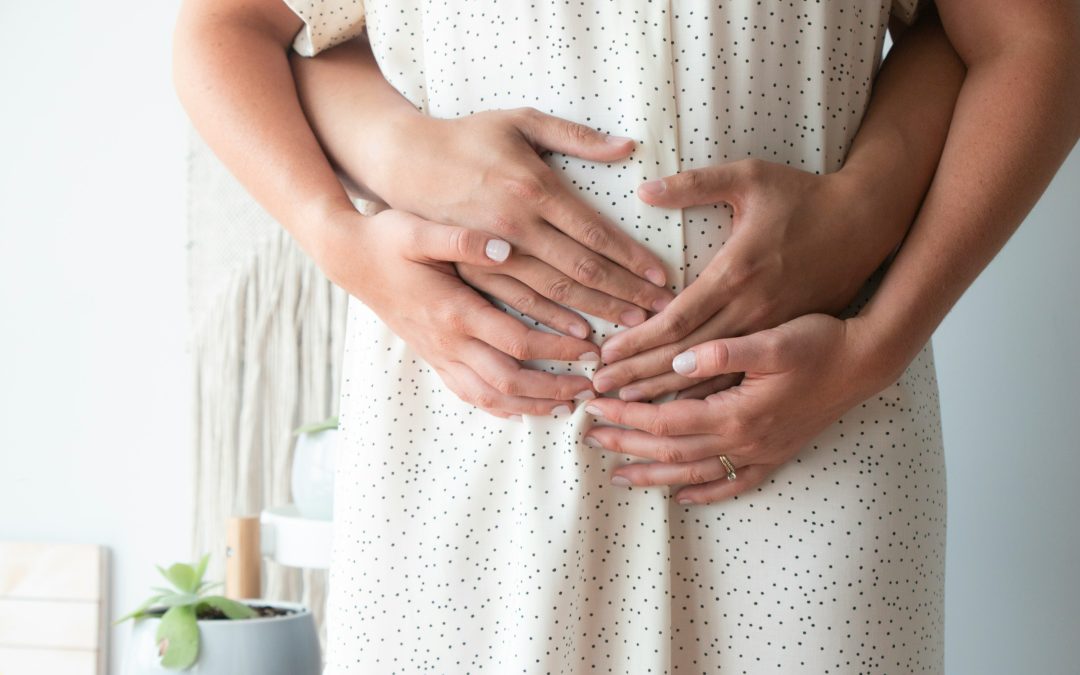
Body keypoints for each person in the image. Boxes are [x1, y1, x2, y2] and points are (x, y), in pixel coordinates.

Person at [172, 0, 1079, 671]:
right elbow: (234, 26)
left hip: (810, 434)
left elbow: (1026, 36)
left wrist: (876, 337)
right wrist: (345, 240)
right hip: (470, 454)